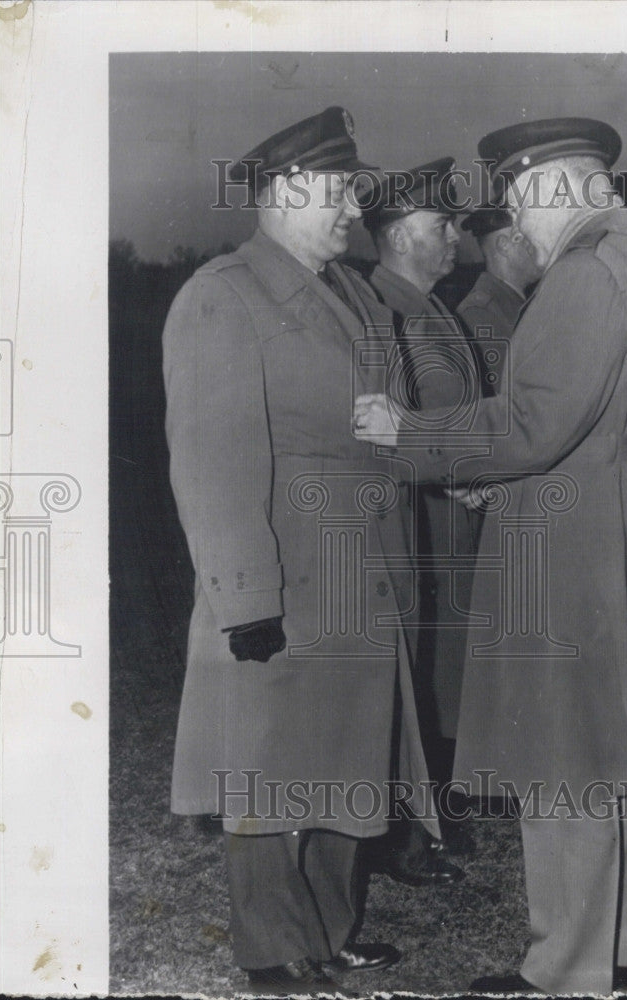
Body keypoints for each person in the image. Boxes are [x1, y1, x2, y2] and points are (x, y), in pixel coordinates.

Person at [354, 116, 627, 995]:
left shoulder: (584, 276)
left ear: (558, 189)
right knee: (617, 754)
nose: (517, 225)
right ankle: (608, 952)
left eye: (519, 202)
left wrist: (413, 434)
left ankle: (565, 970)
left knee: (567, 755)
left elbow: (530, 425)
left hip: (579, 530)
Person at [162, 106, 438, 995]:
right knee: (272, 763)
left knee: (350, 760)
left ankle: (328, 930)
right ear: (280, 193)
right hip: (289, 568)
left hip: (362, 568)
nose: (352, 213)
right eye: (335, 194)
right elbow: (212, 458)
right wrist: (245, 598)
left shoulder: (354, 292)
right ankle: (275, 946)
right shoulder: (222, 294)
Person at [360, 157, 481, 885]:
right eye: (443, 223)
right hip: (418, 515)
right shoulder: (385, 309)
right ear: (402, 234)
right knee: (409, 671)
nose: (456, 235)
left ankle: (424, 814)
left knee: (435, 668)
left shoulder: (432, 306)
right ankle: (399, 832)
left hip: (449, 510)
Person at [456, 206, 543, 388]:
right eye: (528, 240)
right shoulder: (479, 314)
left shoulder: (519, 302)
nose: (538, 247)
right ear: (504, 245)